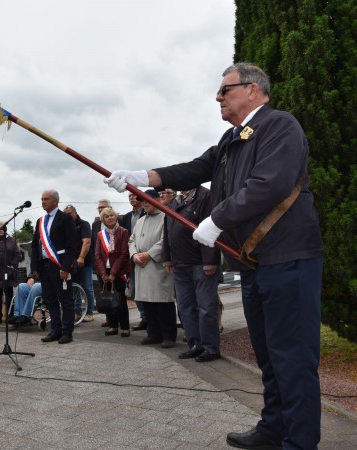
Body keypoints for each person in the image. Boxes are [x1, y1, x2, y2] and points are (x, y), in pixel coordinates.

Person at [106, 62, 323, 450]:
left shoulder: (280, 126)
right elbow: (193, 169)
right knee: (269, 355)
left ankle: (301, 441)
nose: (218, 98)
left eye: (225, 90)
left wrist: (216, 219)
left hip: (289, 258)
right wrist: (143, 177)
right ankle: (274, 425)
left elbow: (270, 183)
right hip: (255, 262)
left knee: (292, 355)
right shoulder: (230, 140)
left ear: (254, 90)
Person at [161, 186, 222, 362]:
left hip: (200, 263)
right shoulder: (174, 202)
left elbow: (213, 229)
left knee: (205, 308)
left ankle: (210, 348)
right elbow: (168, 233)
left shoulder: (206, 197)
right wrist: (167, 259)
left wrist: (210, 261)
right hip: (180, 264)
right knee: (185, 308)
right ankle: (195, 345)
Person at [129, 190, 176, 347]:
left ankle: (169, 335)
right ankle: (153, 333)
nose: (144, 203)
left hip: (157, 266)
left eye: (147, 200)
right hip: (141, 266)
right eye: (142, 201)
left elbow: (166, 241)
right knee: (147, 303)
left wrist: (149, 255)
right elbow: (131, 240)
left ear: (157, 199)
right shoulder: (140, 220)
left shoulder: (166, 217)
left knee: (163, 302)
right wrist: (134, 254)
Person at [31, 189, 76, 344]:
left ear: (55, 201)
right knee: (50, 300)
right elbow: (34, 246)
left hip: (59, 265)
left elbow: (71, 245)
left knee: (66, 300)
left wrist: (65, 267)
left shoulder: (65, 219)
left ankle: (67, 332)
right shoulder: (40, 221)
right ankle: (55, 330)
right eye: (42, 199)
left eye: (46, 199)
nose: (43, 201)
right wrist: (34, 268)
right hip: (44, 266)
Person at [94, 207, 132, 337]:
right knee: (108, 299)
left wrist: (113, 273)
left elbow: (123, 254)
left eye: (112, 215)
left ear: (116, 217)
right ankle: (113, 325)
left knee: (120, 299)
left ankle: (125, 327)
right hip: (104, 271)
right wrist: (103, 274)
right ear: (103, 220)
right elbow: (97, 255)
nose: (110, 218)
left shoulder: (123, 232)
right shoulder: (100, 234)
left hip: (119, 271)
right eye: (106, 216)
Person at [119, 191, 146, 330]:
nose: (132, 198)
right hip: (131, 258)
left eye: (134, 195)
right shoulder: (127, 217)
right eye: (129, 196)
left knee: (148, 289)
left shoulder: (146, 213)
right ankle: (144, 317)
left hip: (146, 258)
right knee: (134, 290)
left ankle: (152, 318)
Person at [63, 204, 95, 322]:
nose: (68, 216)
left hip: (84, 261)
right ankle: (77, 312)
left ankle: (90, 312)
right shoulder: (64, 227)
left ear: (75, 213)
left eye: (70, 213)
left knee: (87, 287)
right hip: (71, 263)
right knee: (74, 288)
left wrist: (81, 257)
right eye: (65, 214)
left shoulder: (84, 224)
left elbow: (86, 242)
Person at [91, 199, 111, 327]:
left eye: (103, 207)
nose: (100, 209)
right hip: (100, 264)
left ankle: (120, 318)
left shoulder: (115, 222)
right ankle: (110, 318)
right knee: (104, 291)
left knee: (115, 291)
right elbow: (93, 244)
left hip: (114, 264)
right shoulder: (96, 225)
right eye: (99, 207)